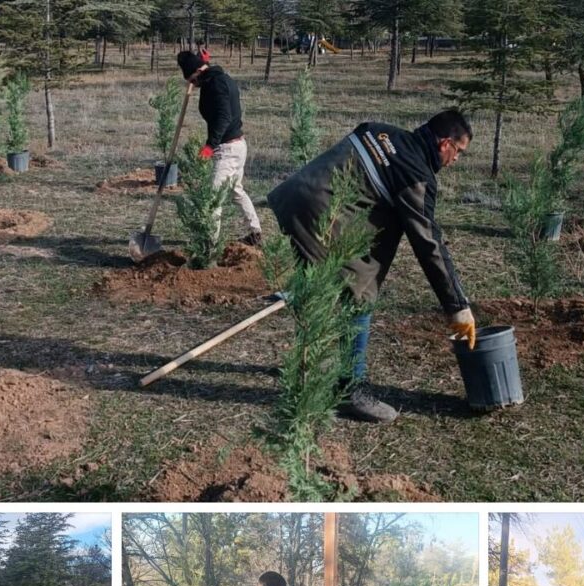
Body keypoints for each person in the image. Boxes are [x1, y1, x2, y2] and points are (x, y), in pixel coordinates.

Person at [267, 109, 476, 423]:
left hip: (295, 196)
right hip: (322, 215)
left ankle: (304, 368)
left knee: (316, 291)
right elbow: (428, 244)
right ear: (445, 143)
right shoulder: (416, 174)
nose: (456, 160)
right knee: (360, 296)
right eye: (458, 152)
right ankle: (352, 389)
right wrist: (457, 306)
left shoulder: (379, 130)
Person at [177, 50, 262, 247]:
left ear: (198, 71)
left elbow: (224, 116)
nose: (192, 84)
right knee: (236, 190)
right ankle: (255, 232)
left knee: (213, 197)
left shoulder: (214, 84)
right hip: (238, 145)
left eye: (192, 79)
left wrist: (210, 146)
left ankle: (209, 244)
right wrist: (203, 64)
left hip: (228, 150)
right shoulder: (217, 78)